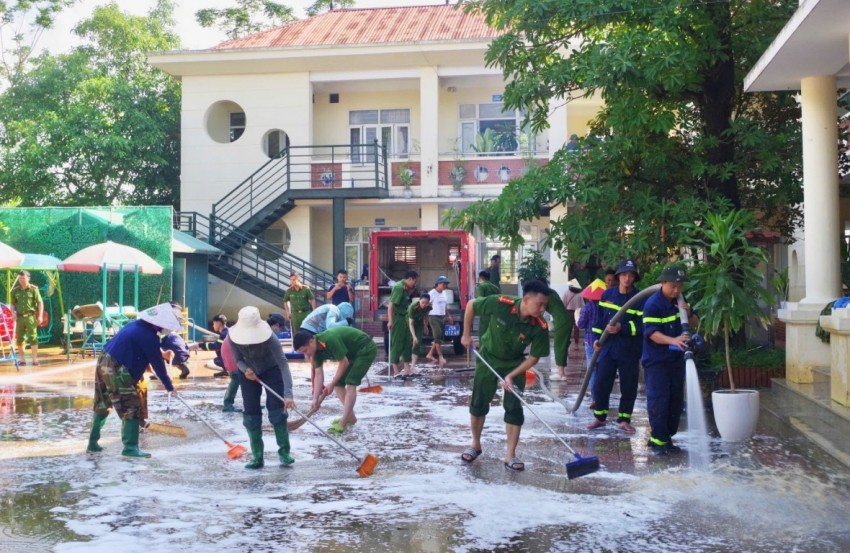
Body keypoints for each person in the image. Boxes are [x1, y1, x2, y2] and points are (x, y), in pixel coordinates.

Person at [459, 279, 550, 472]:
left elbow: (534, 357)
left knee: (514, 407)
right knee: (478, 403)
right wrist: (466, 335)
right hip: (488, 358)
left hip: (515, 363)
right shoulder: (501, 303)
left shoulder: (539, 326)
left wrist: (511, 375)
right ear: (526, 299)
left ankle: (510, 454)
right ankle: (475, 444)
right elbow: (471, 305)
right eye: (539, 304)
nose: (543, 309)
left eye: (545, 305)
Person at [86, 303, 184, 458]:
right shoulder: (150, 336)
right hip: (118, 367)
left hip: (104, 360)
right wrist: (169, 386)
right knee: (131, 406)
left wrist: (162, 353)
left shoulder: (136, 325)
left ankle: (92, 443)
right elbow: (158, 365)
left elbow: (144, 346)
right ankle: (130, 448)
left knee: (102, 403)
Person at [228, 306, 296, 469]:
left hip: (271, 371)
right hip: (249, 375)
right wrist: (246, 370)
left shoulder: (270, 338)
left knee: (277, 411)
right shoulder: (233, 337)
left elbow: (283, 365)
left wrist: (288, 394)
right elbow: (238, 360)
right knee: (251, 414)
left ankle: (284, 452)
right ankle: (257, 456)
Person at [642, 265, 696, 455]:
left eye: (680, 287)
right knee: (659, 401)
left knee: (675, 402)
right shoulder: (653, 304)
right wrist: (672, 340)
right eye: (673, 286)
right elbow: (652, 334)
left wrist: (688, 314)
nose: (677, 290)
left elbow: (692, 323)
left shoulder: (680, 300)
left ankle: (667, 439)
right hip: (657, 362)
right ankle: (658, 442)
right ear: (663, 283)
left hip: (676, 360)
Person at [588, 259, 644, 433]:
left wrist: (623, 328)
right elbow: (599, 320)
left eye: (631, 275)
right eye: (624, 275)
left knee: (628, 386)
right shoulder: (607, 295)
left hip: (629, 349)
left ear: (634, 278)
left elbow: (643, 326)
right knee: (601, 383)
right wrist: (597, 339)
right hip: (608, 349)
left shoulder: (640, 298)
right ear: (619, 276)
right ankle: (599, 417)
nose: (627, 279)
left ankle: (624, 419)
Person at [294, 326, 377, 434]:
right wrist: (315, 399)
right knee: (339, 384)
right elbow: (318, 374)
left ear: (311, 341)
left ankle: (343, 423)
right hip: (350, 355)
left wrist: (331, 384)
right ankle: (351, 417)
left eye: (305, 351)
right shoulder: (316, 352)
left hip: (365, 349)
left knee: (350, 383)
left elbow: (344, 362)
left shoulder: (329, 339)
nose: (306, 355)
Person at [577, 278, 608, 404]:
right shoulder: (607, 307)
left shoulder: (588, 307)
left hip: (590, 341)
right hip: (604, 340)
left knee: (592, 369)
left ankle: (595, 399)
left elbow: (581, 324)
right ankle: (602, 397)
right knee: (603, 369)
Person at [387, 270, 418, 378]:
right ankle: (396, 371)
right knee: (397, 343)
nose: (415, 283)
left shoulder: (405, 288)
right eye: (414, 281)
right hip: (398, 319)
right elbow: (391, 305)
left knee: (407, 344)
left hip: (404, 318)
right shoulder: (399, 287)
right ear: (410, 279)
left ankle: (407, 370)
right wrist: (390, 321)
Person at [551, 278, 582, 381]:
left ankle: (561, 371)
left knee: (562, 340)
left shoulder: (566, 292)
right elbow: (581, 306)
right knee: (576, 329)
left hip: (566, 313)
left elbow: (562, 304)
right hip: (576, 313)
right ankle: (576, 342)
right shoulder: (579, 294)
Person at [10, 270, 44, 366]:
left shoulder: (34, 289)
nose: (21, 280)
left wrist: (40, 315)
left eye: (23, 278)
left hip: (30, 317)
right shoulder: (15, 290)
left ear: (28, 278)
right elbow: (12, 304)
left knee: (33, 337)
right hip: (19, 318)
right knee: (20, 338)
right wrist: (12, 313)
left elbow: (40, 303)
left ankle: (34, 359)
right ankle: (22, 360)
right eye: (20, 278)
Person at [426, 276, 453, 369]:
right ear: (438, 284)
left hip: (442, 317)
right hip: (433, 317)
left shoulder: (444, 293)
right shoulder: (432, 293)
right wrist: (425, 319)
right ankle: (441, 357)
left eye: (446, 284)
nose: (445, 286)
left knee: (440, 337)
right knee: (437, 337)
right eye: (443, 284)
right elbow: (426, 305)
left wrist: (448, 315)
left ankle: (429, 354)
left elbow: (445, 305)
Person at [408, 291, 432, 370]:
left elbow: (425, 315)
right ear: (419, 300)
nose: (424, 305)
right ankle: (405, 363)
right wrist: (414, 336)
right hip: (408, 323)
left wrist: (425, 325)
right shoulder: (412, 307)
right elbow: (411, 323)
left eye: (426, 303)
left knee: (417, 344)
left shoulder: (428, 307)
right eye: (422, 302)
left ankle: (412, 366)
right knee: (409, 343)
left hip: (419, 323)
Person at [474, 270, 500, 338]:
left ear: (480, 277)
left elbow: (480, 302)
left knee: (483, 338)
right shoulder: (496, 288)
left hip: (485, 316)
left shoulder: (481, 287)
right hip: (496, 316)